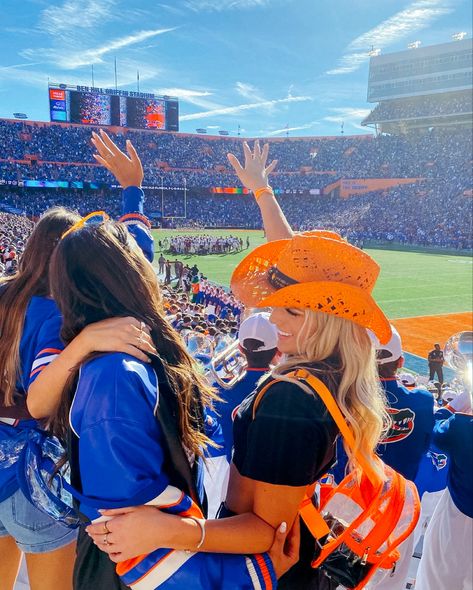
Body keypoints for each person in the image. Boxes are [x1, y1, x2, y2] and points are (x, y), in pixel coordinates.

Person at [87, 141, 391, 589]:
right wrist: (262, 193)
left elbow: (266, 533)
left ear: (326, 319)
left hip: (267, 569)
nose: (274, 319)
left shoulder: (291, 399)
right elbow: (298, 264)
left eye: (291, 311)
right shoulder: (333, 366)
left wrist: (162, 531)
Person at [39, 218, 296, 590]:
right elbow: (132, 546)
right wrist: (253, 574)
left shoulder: (137, 352)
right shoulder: (114, 378)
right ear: (124, 273)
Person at [0, 208, 155, 590]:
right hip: (29, 476)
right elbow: (38, 403)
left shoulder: (4, 292)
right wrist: (83, 342)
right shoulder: (54, 311)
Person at [415, 390, 472, 590]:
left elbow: (433, 428)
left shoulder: (462, 426)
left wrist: (453, 407)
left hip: (456, 522)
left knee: (435, 582)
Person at [213, 312, 279, 462]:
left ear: (241, 349)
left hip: (226, 468)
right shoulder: (285, 389)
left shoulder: (219, 387)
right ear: (279, 350)